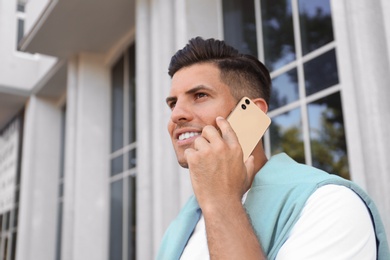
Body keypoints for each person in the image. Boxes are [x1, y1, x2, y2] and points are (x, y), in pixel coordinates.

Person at [157, 37, 389, 259]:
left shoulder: (330, 204)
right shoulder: (180, 229)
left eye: (199, 95)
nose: (176, 114)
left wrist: (221, 201)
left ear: (252, 112)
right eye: (173, 103)